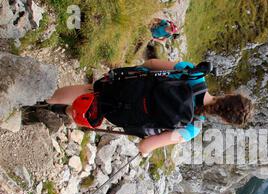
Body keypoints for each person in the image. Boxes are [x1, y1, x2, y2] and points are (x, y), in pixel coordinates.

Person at [44, 59, 254, 157]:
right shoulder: (191, 129)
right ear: (224, 120)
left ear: (229, 95)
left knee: (91, 90)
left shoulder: (195, 75)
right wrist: (144, 153)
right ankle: (60, 112)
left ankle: (47, 99)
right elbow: (146, 145)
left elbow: (153, 63)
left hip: (124, 86)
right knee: (100, 107)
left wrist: (137, 73)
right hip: (122, 115)